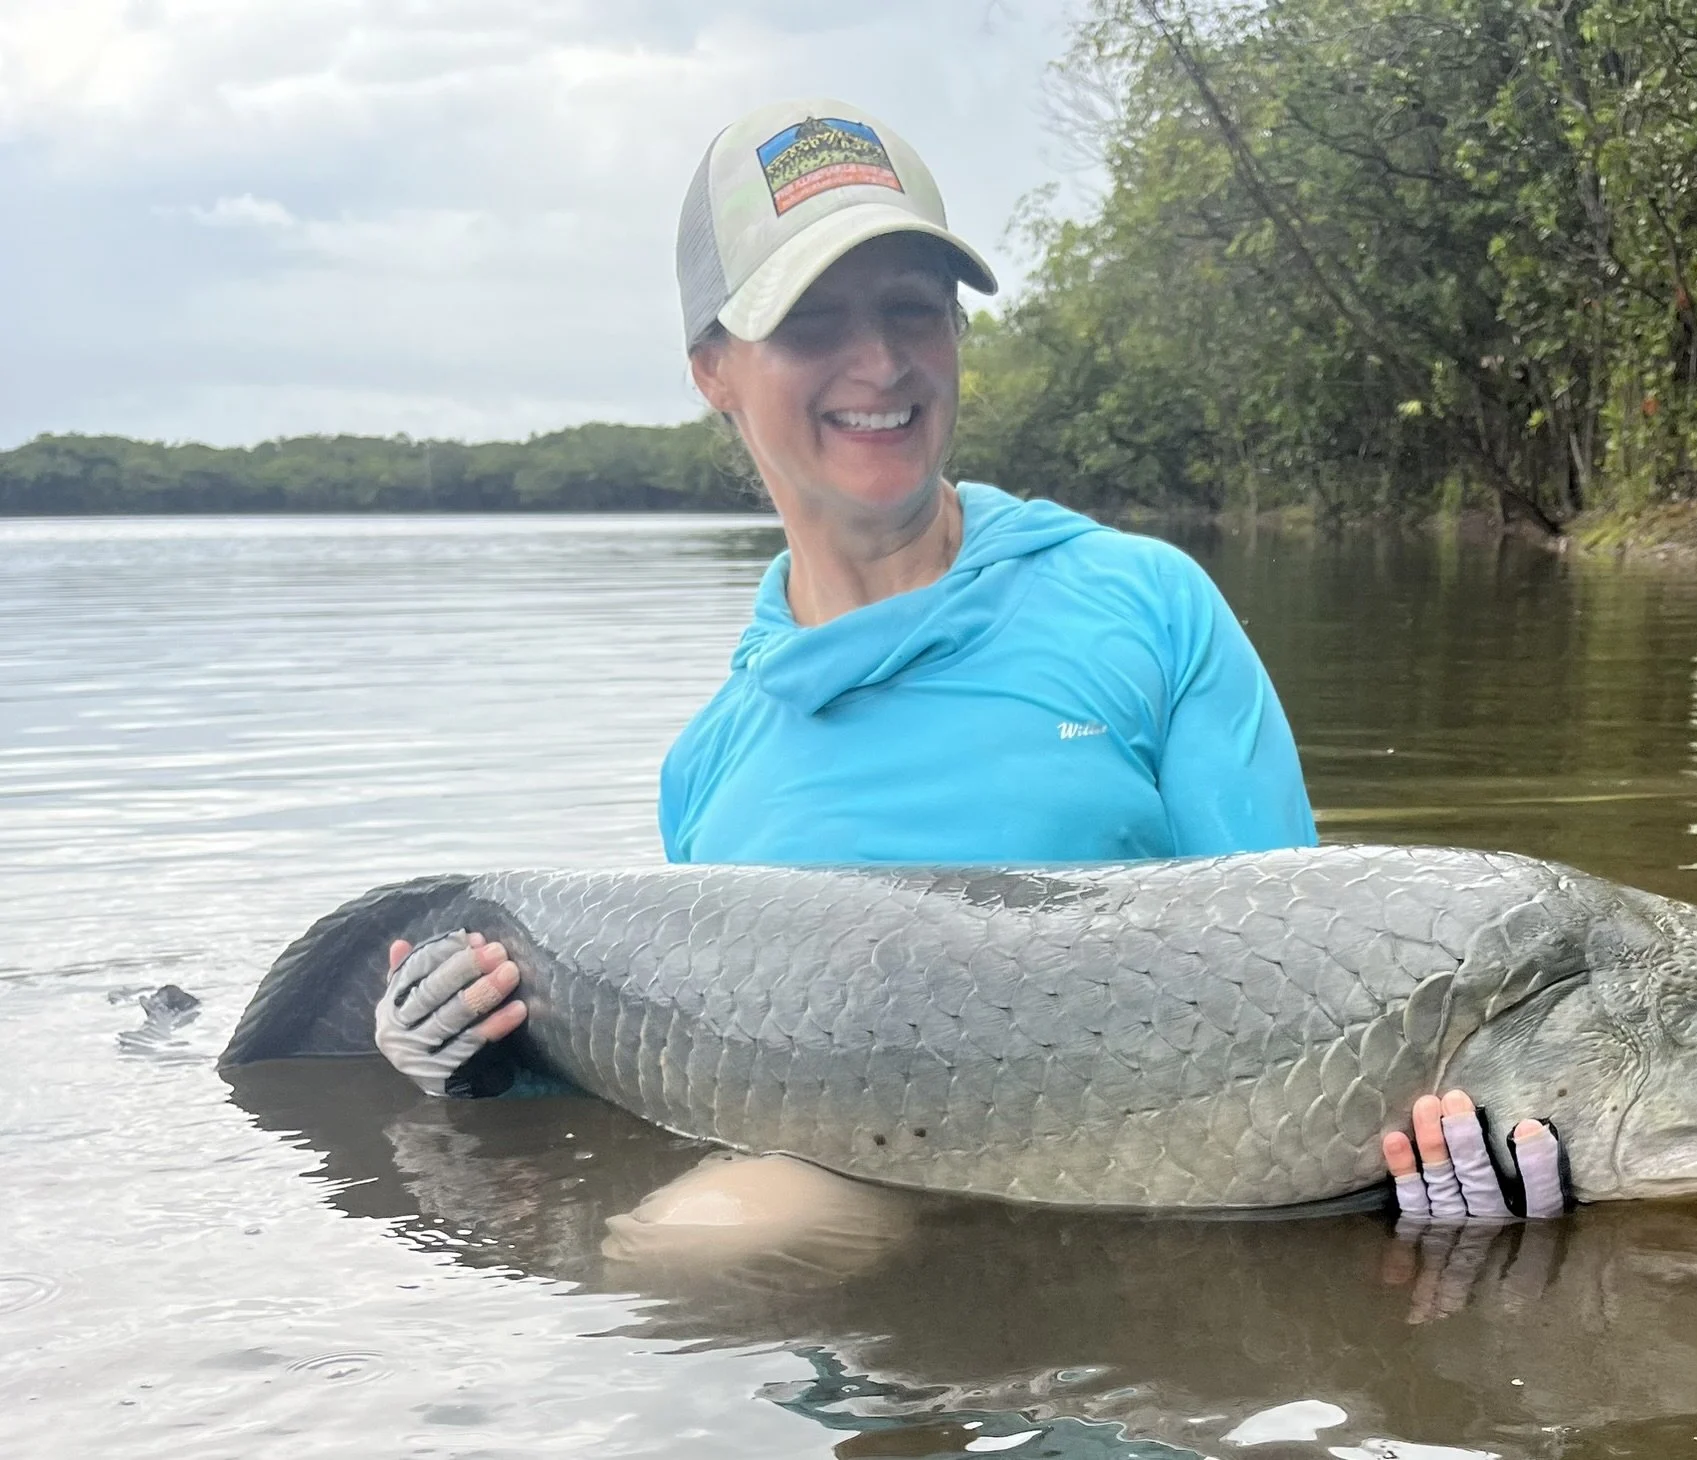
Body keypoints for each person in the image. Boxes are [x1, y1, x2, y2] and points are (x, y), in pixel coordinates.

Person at [372, 98, 1566, 1226]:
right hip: (844, 1332)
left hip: (1151, 1344)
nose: (880, 364)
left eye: (911, 308)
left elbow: (1333, 980)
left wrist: (1452, 1173)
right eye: (812, 322)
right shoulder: (709, 770)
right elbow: (679, 1098)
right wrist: (473, 1062)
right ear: (712, 369)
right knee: (703, 1241)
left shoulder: (1149, 606)